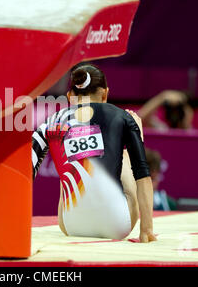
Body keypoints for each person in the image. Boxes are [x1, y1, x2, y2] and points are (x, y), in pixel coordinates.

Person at [32, 63, 156, 243]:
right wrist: (146, 230)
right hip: (117, 225)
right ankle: (127, 150)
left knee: (71, 162)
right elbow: (142, 174)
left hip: (70, 225)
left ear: (69, 96)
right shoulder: (123, 117)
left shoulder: (53, 119)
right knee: (125, 158)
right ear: (105, 93)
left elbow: (27, 169)